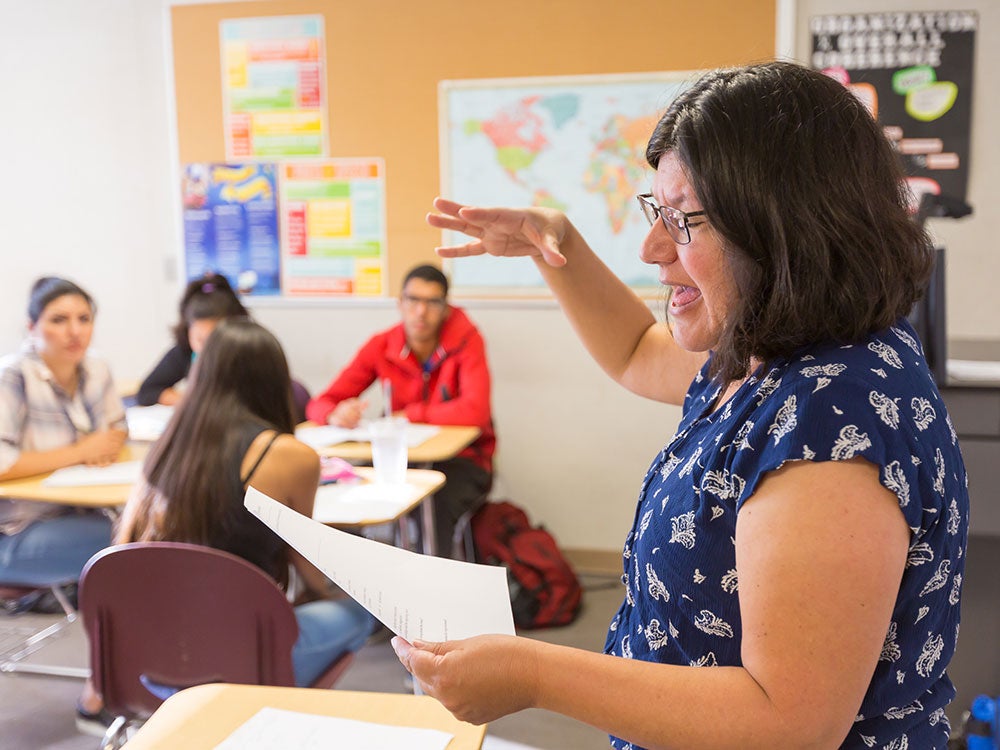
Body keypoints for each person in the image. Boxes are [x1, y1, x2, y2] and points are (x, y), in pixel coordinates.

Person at [392, 61, 969, 749]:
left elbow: (788, 721)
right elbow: (636, 349)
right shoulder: (767, 349)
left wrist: (534, 674)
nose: (652, 249)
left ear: (781, 229)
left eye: (684, 222)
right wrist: (556, 244)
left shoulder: (832, 422)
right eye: (655, 212)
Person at [76, 318, 373, 735]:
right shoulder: (290, 455)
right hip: (246, 660)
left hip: (150, 662)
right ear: (274, 380)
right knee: (361, 609)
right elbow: (310, 575)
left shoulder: (164, 449)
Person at [306, 264, 495, 557]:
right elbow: (320, 402)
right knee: (342, 489)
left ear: (446, 308)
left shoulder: (467, 342)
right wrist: (334, 414)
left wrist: (411, 414)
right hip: (398, 461)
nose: (421, 311)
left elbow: (476, 411)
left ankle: (433, 584)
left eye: (432, 302)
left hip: (463, 462)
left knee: (432, 502)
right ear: (399, 303)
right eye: (413, 300)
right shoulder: (382, 345)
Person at [0, 277, 126, 586]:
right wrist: (81, 453)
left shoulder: (97, 368)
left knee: (152, 524)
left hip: (82, 511)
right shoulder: (12, 377)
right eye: (59, 320)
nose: (75, 331)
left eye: (84, 319)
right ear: (31, 326)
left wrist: (101, 448)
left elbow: (118, 429)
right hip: (19, 530)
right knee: (137, 537)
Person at [136, 272, 248, 407]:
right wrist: (189, 403)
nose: (207, 348)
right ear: (188, 332)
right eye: (200, 340)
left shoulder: (252, 354)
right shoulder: (185, 352)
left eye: (215, 339)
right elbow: (148, 391)